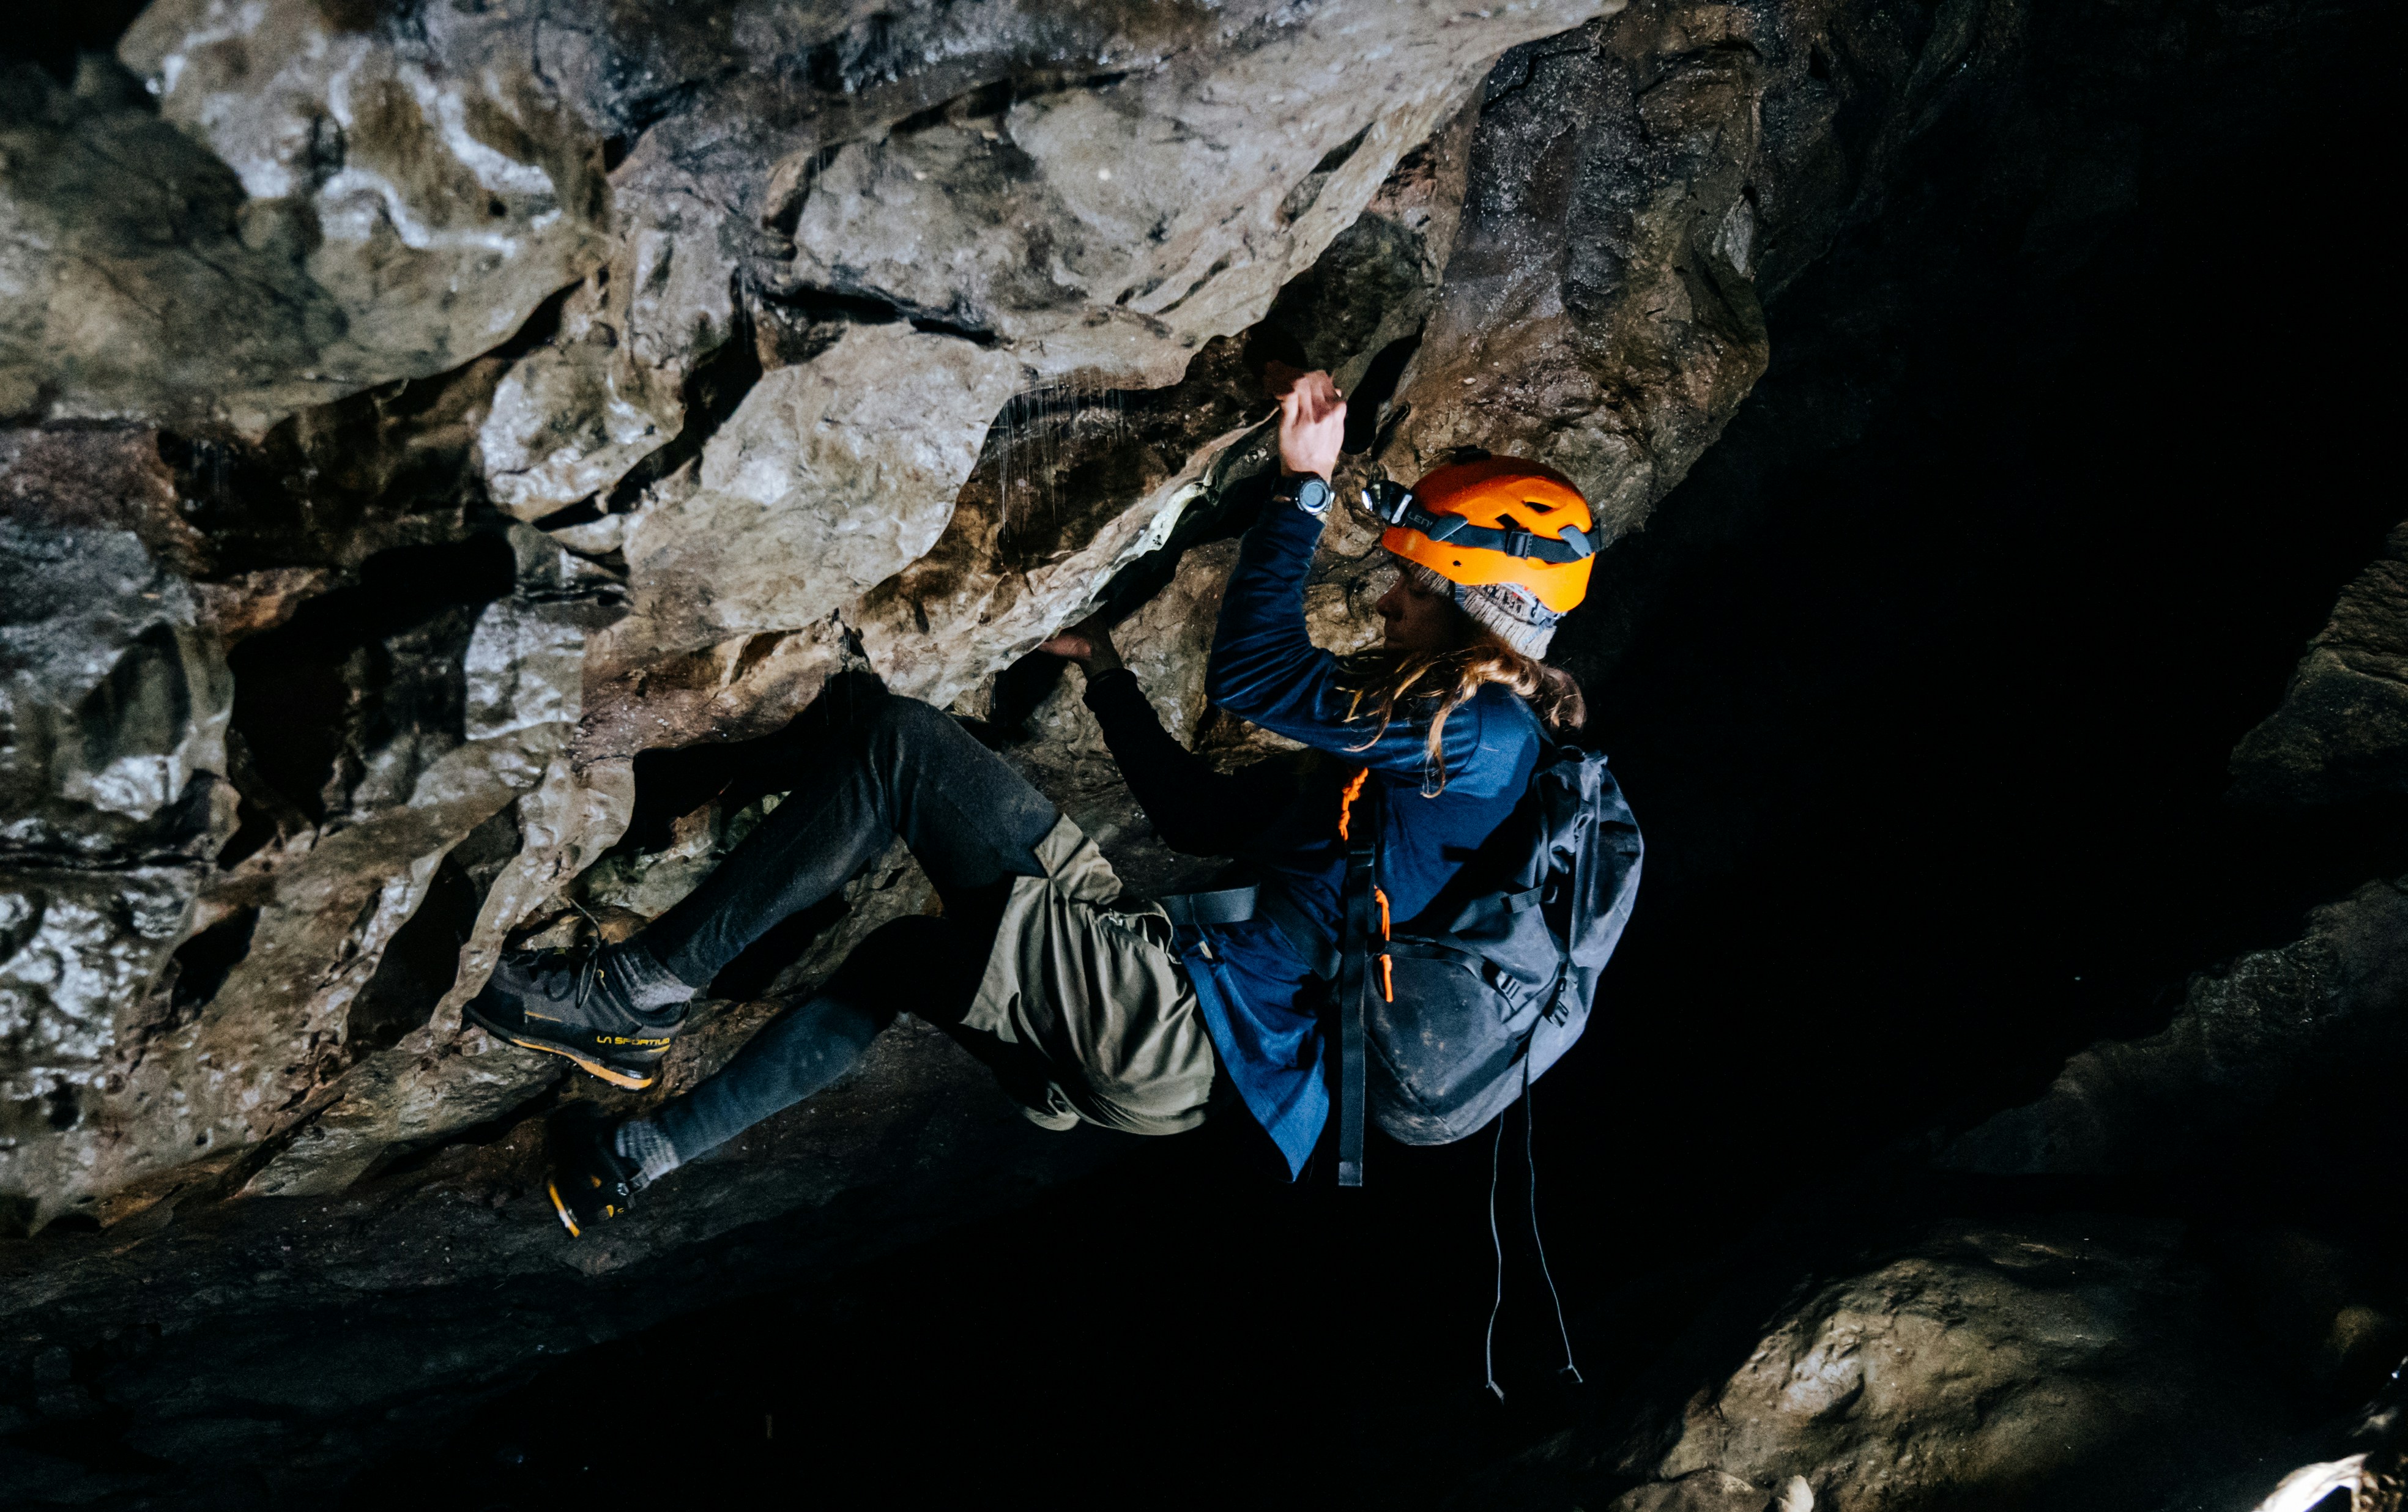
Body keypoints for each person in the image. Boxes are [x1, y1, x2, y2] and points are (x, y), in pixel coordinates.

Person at [464, 370, 1605, 1235]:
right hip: (1180, 1060)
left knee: (904, 747)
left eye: (1421, 576)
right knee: (906, 961)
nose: (1396, 591)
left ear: (1481, 594)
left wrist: (1304, 491)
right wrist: (1105, 673)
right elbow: (1201, 823)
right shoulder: (1433, 761)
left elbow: (1254, 676)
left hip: (1176, 1027)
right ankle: (632, 1164)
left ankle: (628, 997)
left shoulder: (1483, 734)